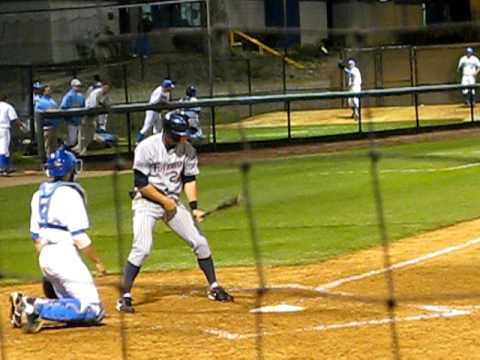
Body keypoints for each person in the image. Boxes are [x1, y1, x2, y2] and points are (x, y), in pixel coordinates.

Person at [116, 113, 234, 313]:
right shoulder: (146, 147)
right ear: (169, 132)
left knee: (200, 242)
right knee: (142, 248)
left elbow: (189, 179)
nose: (184, 138)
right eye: (180, 135)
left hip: (173, 202)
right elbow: (141, 184)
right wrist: (164, 201)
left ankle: (214, 287)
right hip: (147, 202)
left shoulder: (188, 150)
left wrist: (194, 206)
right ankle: (124, 297)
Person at [9, 146, 106, 333]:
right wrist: (98, 263)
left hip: (45, 256)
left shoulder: (38, 195)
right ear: (71, 170)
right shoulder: (70, 194)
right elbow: (79, 237)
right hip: (64, 256)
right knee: (93, 309)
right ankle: (32, 305)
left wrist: (49, 268)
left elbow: (35, 237)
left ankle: (27, 305)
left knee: (73, 305)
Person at [77, 81, 111, 155]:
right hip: (86, 115)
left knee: (91, 134)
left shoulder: (106, 94)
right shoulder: (96, 93)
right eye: (105, 88)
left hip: (93, 117)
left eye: (108, 88)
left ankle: (83, 149)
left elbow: (108, 104)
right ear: (102, 87)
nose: (106, 90)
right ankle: (81, 151)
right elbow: (93, 106)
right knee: (83, 134)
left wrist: (104, 105)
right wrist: (102, 105)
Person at [136, 79, 174, 143]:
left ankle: (155, 144)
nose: (171, 88)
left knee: (158, 130)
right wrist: (165, 103)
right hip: (152, 111)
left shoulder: (167, 92)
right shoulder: (158, 91)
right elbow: (154, 103)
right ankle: (137, 142)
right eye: (170, 87)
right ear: (166, 87)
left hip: (158, 112)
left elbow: (165, 102)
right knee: (146, 128)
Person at [0, 95, 27, 176]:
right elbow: (14, 119)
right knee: (3, 149)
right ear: (6, 99)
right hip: (3, 129)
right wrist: (22, 126)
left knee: (5, 150)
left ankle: (7, 168)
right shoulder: (8, 106)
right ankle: (3, 169)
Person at [35, 85, 60, 157]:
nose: (50, 91)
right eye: (47, 90)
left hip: (54, 127)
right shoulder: (40, 102)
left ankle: (54, 161)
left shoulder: (52, 101)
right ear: (43, 92)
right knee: (47, 147)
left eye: (50, 90)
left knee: (54, 147)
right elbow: (38, 114)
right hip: (46, 128)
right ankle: (47, 163)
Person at [60, 79, 85, 151]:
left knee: (80, 140)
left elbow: (84, 107)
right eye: (77, 86)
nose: (78, 87)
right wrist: (68, 119)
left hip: (79, 121)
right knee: (71, 140)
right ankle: (63, 151)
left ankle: (75, 154)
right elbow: (63, 108)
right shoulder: (68, 96)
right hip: (70, 122)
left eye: (79, 86)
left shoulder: (81, 96)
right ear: (72, 86)